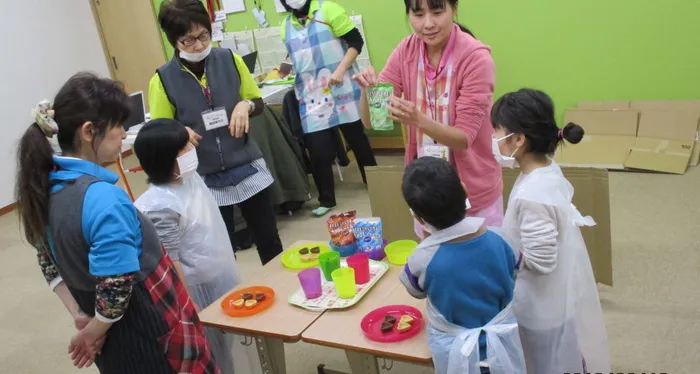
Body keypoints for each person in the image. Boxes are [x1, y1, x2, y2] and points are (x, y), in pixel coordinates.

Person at [15, 72, 218, 373]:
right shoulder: (104, 199)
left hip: (105, 333)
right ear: (88, 132)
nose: (124, 133)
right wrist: (90, 334)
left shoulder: (42, 187)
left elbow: (47, 260)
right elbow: (115, 289)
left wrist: (82, 318)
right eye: (118, 125)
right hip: (150, 327)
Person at [353, 0, 503, 238]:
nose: (428, 24)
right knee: (435, 264)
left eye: (437, 11)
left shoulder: (476, 58)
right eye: (418, 14)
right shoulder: (406, 50)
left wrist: (418, 120)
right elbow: (372, 121)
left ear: (454, 9)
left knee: (480, 263)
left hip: (472, 187)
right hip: (426, 189)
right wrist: (366, 91)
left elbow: (464, 138)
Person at [150, 0, 283, 264]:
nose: (198, 45)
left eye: (203, 36)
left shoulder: (230, 60)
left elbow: (256, 101)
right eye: (188, 40)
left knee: (269, 238)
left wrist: (245, 105)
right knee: (219, 250)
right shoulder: (162, 79)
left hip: (244, 162)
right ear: (173, 41)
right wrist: (180, 132)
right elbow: (160, 131)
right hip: (203, 173)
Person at [491, 88, 611, 374]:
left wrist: (495, 250)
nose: (493, 138)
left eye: (496, 130)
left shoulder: (533, 194)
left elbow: (541, 260)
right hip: (554, 297)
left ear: (519, 139)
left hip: (539, 306)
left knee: (543, 361)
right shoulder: (544, 170)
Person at [133, 119, 242, 374]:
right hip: (197, 289)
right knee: (213, 353)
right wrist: (191, 307)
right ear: (165, 158)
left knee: (231, 345)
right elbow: (171, 262)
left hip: (221, 274)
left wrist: (182, 133)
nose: (192, 150)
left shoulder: (188, 178)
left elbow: (189, 140)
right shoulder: (159, 205)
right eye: (184, 148)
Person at [398, 157, 525, 374]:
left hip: (454, 349)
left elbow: (415, 291)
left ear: (418, 218)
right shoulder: (501, 238)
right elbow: (516, 269)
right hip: (502, 341)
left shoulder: (422, 257)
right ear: (465, 191)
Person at [280, 0, 378, 216]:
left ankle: (375, 182)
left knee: (357, 139)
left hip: (342, 86)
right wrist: (284, 68)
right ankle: (326, 199)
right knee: (317, 148)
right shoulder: (285, 26)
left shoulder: (328, 10)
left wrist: (341, 70)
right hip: (312, 94)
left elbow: (355, 42)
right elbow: (293, 53)